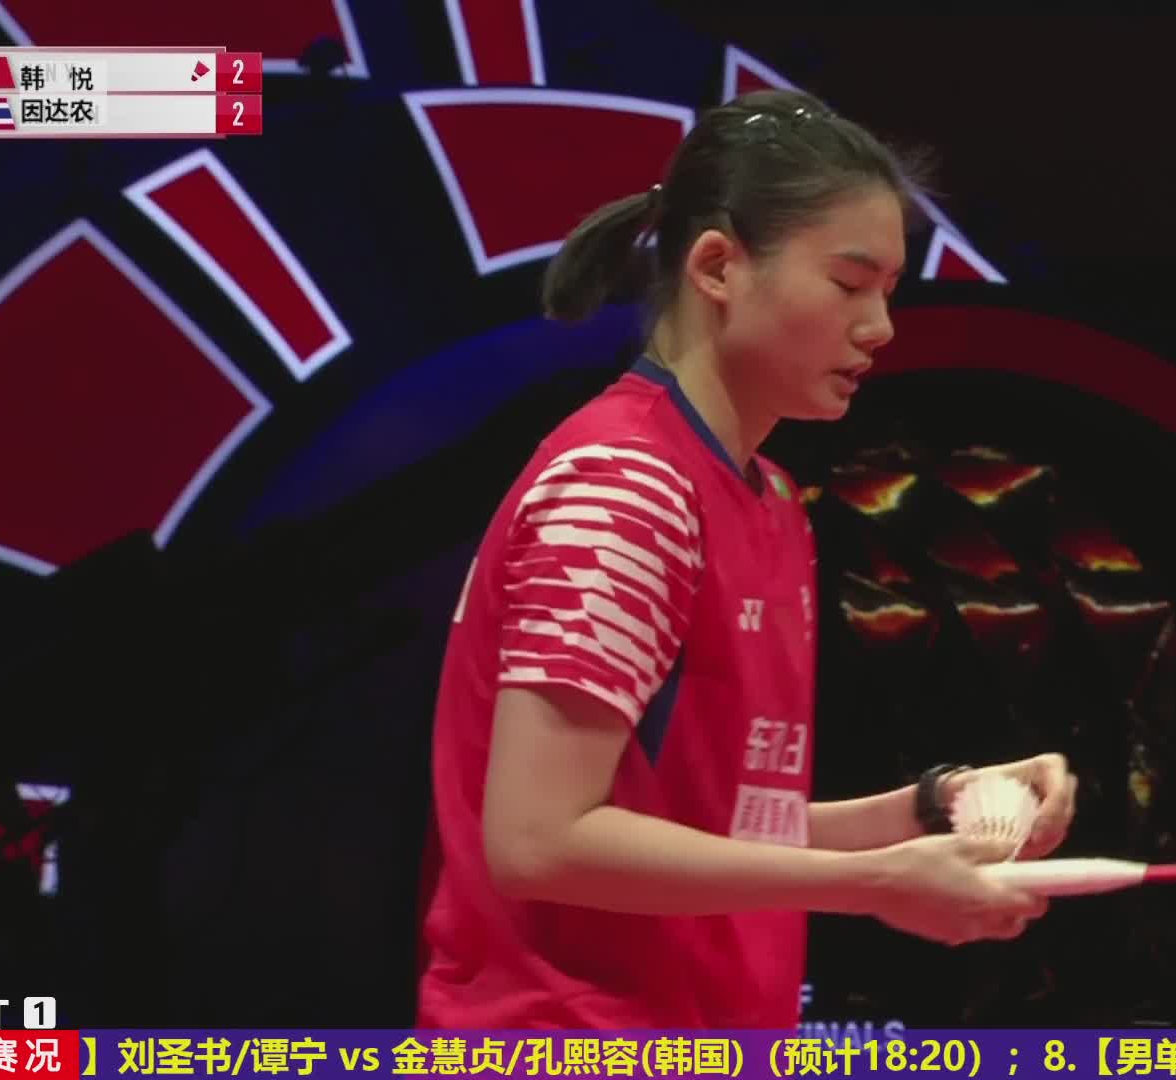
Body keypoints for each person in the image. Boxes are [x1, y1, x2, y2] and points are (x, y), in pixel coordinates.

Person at [417, 89, 1079, 1031]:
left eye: (889, 290)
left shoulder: (769, 501)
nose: (881, 327)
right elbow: (539, 841)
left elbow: (718, 831)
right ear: (718, 266)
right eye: (849, 284)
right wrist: (877, 884)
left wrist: (930, 810)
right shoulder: (625, 487)